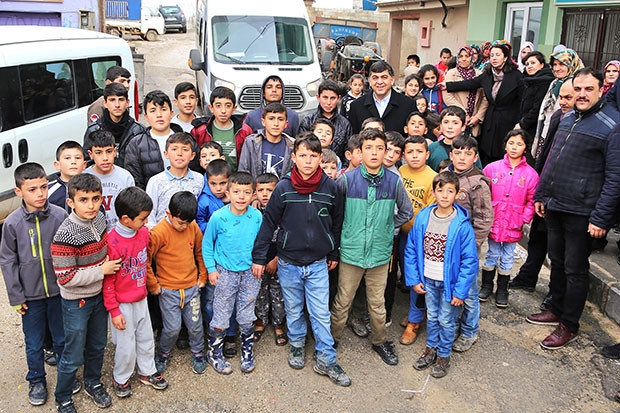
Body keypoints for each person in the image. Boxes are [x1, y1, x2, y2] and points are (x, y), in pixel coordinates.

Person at [526, 67, 620, 349]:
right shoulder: (567, 118)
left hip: (583, 213)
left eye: (588, 89)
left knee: (575, 269)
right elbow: (551, 158)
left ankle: (569, 324)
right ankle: (555, 307)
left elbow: (615, 177)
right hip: (555, 206)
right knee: (556, 260)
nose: (581, 94)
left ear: (601, 89)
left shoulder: (612, 125)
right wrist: (541, 194)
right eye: (577, 89)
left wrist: (601, 217)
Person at [251, 134, 351, 387]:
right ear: (294, 157)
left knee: (320, 312)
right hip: (288, 262)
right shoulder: (283, 189)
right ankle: (296, 344)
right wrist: (260, 257)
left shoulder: (331, 188)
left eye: (313, 156)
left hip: (318, 262)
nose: (308, 161)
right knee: (294, 309)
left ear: (320, 158)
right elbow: (269, 223)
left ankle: (326, 357)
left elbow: (337, 223)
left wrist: (333, 251)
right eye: (303, 155)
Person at [331, 128, 413, 366]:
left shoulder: (394, 181)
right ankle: (332, 340)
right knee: (343, 299)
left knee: (377, 304)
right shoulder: (346, 180)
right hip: (351, 251)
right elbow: (336, 215)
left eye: (380, 148)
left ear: (386, 152)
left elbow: (406, 212)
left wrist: (387, 227)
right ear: (359, 152)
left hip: (379, 253)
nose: (374, 153)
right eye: (368, 148)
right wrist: (346, 232)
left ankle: (379, 341)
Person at [51, 173, 123, 412]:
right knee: (73, 352)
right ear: (71, 202)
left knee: (98, 344)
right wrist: (101, 270)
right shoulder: (65, 235)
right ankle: (63, 396)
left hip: (99, 297)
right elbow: (66, 278)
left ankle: (93, 382)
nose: (91, 205)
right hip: (76, 302)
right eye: (83, 200)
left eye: (95, 198)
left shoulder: (100, 219)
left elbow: (104, 251)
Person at [0, 163, 68, 406]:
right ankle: (37, 379)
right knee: (34, 342)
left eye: (43, 187)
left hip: (59, 292)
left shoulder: (60, 215)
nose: (40, 194)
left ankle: (66, 375)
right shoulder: (12, 223)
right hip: (31, 297)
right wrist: (16, 297)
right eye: (32, 189)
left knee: (62, 338)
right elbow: (8, 261)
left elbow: (69, 251)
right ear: (19, 192)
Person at [509, 78, 576, 310]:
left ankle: (557, 298)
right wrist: (539, 187)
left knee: (560, 253)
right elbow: (546, 153)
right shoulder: (558, 117)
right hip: (545, 188)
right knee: (537, 237)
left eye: (569, 97)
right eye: (561, 98)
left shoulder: (584, 124)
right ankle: (528, 277)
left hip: (567, 197)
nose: (564, 102)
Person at [406, 171, 478, 379]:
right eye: (440, 191)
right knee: (433, 316)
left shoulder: (462, 225)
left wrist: (460, 291)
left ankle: (443, 355)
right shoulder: (423, 218)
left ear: (457, 194)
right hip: (428, 279)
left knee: (447, 320)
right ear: (434, 192)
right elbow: (412, 248)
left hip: (450, 284)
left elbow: (469, 261)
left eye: (450, 191)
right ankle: (430, 349)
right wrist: (414, 278)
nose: (445, 195)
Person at [103, 187, 168, 398]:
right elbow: (108, 280)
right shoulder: (111, 242)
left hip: (140, 297)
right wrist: (114, 311)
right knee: (125, 344)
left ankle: (147, 371)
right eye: (143, 218)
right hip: (121, 302)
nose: (146, 222)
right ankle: (121, 377)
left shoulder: (143, 233)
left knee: (146, 337)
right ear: (125, 219)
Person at [202, 172, 262, 374]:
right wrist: (211, 269)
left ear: (253, 194)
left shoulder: (256, 216)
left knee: (246, 314)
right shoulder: (219, 217)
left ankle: (247, 351)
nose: (241, 197)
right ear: (228, 193)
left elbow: (262, 243)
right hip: (225, 272)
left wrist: (259, 262)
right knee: (221, 313)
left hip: (250, 273)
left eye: (246, 192)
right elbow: (207, 244)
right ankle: (214, 352)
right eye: (236, 192)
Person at [147, 191, 208, 373]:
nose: (184, 226)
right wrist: (153, 285)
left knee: (195, 325)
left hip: (191, 287)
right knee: (172, 328)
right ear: (169, 214)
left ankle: (198, 352)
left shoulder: (193, 227)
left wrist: (202, 277)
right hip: (168, 290)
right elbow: (146, 260)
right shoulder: (158, 232)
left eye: (188, 222)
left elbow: (200, 253)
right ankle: (163, 353)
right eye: (180, 222)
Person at [480, 130, 538, 308]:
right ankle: (486, 285)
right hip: (495, 219)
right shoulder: (492, 168)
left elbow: (532, 199)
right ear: (505, 145)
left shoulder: (530, 174)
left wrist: (523, 218)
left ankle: (502, 289)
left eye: (519, 144)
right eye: (511, 143)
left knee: (507, 256)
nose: (514, 147)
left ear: (526, 148)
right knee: (491, 253)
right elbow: (482, 192)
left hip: (514, 222)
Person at [442, 40, 524, 165]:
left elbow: (522, 100)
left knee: (502, 152)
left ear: (505, 57)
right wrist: (447, 85)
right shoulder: (488, 74)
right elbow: (470, 83)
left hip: (508, 119)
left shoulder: (516, 76)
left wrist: (520, 121)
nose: (494, 58)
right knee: (486, 152)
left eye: (498, 55)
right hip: (490, 120)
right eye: (492, 55)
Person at [447, 136, 493, 352]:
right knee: (451, 288)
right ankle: (453, 325)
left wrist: (471, 248)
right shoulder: (446, 176)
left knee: (469, 291)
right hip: (446, 247)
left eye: (467, 153)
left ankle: (469, 331)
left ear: (475, 157)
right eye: (458, 153)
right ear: (451, 155)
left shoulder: (477, 183)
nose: (462, 157)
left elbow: (484, 219)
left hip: (467, 250)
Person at [397, 135, 436, 346]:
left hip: (420, 237)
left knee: (418, 278)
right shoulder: (400, 172)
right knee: (406, 274)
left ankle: (414, 321)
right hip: (401, 232)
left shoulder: (432, 177)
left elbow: (431, 212)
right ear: (403, 155)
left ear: (427, 154)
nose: (414, 156)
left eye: (419, 152)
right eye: (409, 152)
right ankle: (418, 312)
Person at [251, 173, 287, 346]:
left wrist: (276, 259)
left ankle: (279, 324)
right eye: (260, 190)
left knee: (278, 293)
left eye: (270, 190)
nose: (265, 194)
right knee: (260, 293)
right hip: (258, 260)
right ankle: (260, 321)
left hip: (278, 259)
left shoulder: (284, 210)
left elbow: (289, 235)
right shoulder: (252, 211)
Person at [125, 90, 184, 189]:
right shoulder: (136, 144)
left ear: (171, 113)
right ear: (146, 117)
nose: (159, 115)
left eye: (163, 109)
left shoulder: (185, 140)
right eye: (153, 110)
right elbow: (136, 181)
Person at [531, 48, 583, 159]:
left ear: (571, 64)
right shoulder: (554, 84)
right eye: (554, 64)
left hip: (561, 136)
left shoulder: (577, 85)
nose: (557, 68)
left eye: (562, 64)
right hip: (546, 133)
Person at [145, 132, 204, 225]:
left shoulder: (199, 179)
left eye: (185, 149)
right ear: (166, 154)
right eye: (174, 149)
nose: (179, 154)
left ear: (192, 155)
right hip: (162, 234)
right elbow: (150, 214)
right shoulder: (156, 181)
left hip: (189, 234)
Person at [190, 86, 253, 171]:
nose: (223, 110)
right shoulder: (200, 131)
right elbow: (194, 159)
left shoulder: (245, 131)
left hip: (236, 179)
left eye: (228, 106)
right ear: (211, 108)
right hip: (209, 179)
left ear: (234, 108)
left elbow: (249, 159)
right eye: (218, 105)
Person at [84, 83, 145, 168]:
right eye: (112, 100)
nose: (117, 105)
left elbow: (144, 162)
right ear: (105, 103)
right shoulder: (94, 130)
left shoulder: (138, 131)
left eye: (121, 100)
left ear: (127, 102)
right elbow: (87, 161)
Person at [84, 130, 135, 230]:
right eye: (98, 152)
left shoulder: (125, 177)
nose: (105, 158)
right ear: (90, 154)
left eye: (109, 151)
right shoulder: (84, 177)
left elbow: (132, 208)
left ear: (115, 151)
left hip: (121, 232)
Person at [348, 61, 417, 134]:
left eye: (384, 77)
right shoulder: (356, 106)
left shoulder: (408, 105)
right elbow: (353, 139)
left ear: (392, 80)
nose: (380, 82)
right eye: (375, 78)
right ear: (370, 81)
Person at [300, 80, 352, 162]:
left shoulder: (345, 124)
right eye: (325, 97)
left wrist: (341, 172)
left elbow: (348, 153)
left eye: (332, 98)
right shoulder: (308, 121)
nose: (328, 103)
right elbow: (301, 149)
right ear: (318, 97)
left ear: (338, 98)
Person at [238, 102, 294, 178]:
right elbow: (243, 172)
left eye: (280, 119)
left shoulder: (293, 145)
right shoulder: (251, 142)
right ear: (263, 122)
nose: (276, 124)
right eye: (271, 119)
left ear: (286, 124)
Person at [443, 46, 489, 138]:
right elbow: (448, 97)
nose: (464, 59)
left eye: (467, 56)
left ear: (472, 57)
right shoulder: (452, 73)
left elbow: (485, 97)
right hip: (457, 119)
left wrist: (478, 117)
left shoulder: (479, 74)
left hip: (474, 121)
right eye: (461, 56)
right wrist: (464, 114)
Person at [427, 106, 482, 171]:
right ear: (441, 125)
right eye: (446, 122)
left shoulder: (470, 147)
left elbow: (478, 172)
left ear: (463, 127)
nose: (450, 127)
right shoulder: (432, 148)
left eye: (455, 123)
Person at [517, 51, 555, 144]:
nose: (529, 66)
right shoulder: (529, 80)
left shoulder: (543, 81)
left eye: (533, 63)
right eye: (527, 64)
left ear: (542, 65)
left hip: (535, 128)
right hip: (527, 125)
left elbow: (537, 108)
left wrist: (523, 124)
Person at [48, 141, 86, 214]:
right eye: (67, 158)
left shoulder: (92, 188)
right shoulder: (48, 190)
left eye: (77, 158)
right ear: (57, 165)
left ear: (84, 165)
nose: (73, 162)